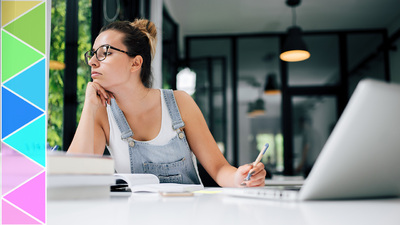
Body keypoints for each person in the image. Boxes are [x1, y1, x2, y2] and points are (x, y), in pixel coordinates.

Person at [67, 19, 266, 187]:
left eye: (105, 52)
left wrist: (239, 178)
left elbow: (219, 169)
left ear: (135, 63)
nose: (92, 61)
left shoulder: (180, 103)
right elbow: (72, 178)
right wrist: (89, 106)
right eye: (92, 54)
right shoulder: (102, 112)